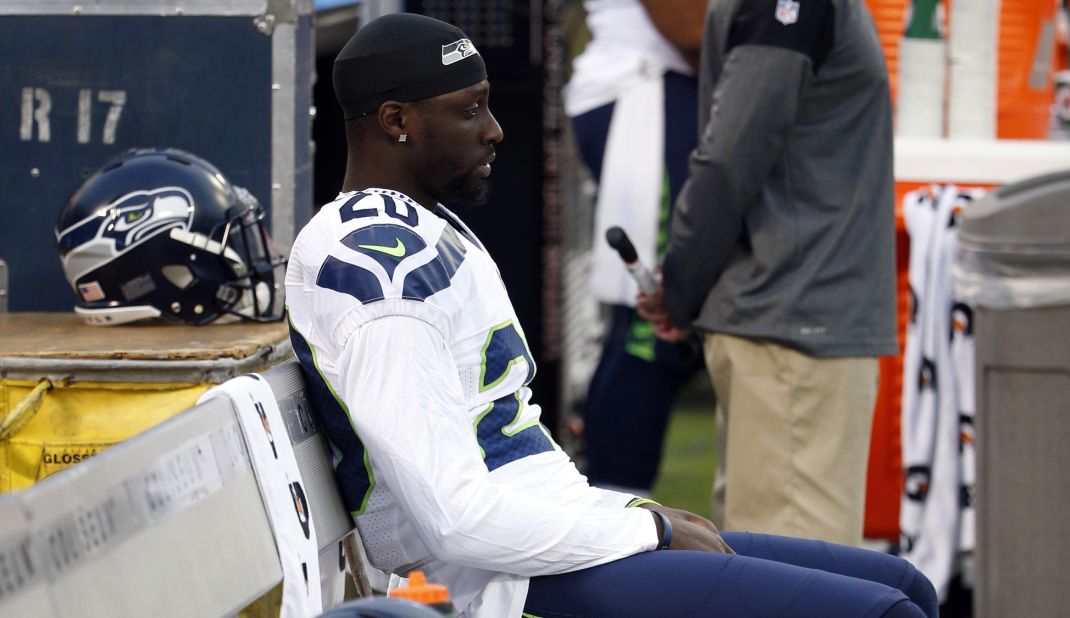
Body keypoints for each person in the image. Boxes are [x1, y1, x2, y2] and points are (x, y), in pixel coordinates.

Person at [285, 12, 933, 618]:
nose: (494, 129)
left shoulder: (426, 226)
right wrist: (644, 526)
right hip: (489, 573)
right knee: (886, 612)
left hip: (545, 523)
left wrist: (624, 518)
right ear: (396, 120)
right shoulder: (373, 268)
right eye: (470, 109)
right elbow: (454, 520)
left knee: (903, 584)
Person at [636, 0, 900, 546]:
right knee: (798, 581)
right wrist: (683, 283)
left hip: (791, 322)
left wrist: (685, 284)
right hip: (794, 324)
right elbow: (730, 158)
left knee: (772, 569)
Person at [563, 0, 707, 497]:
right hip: (644, 91)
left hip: (656, 91)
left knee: (650, 324)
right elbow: (689, 25)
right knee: (654, 326)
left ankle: (610, 511)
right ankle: (617, 523)